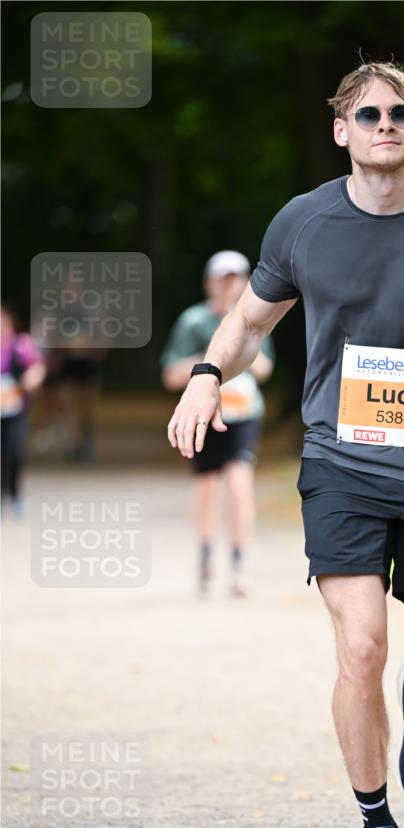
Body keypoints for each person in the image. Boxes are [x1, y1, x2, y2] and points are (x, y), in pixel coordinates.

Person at [167, 61, 404, 828]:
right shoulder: (302, 224)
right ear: (342, 130)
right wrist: (205, 378)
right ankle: (373, 822)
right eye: (367, 114)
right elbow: (247, 321)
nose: (384, 123)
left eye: (400, 112)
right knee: (358, 644)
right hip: (340, 461)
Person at [161, 251, 275, 596]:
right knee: (208, 488)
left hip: (244, 413)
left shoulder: (256, 317)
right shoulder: (192, 321)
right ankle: (206, 555)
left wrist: (242, 343)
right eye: (223, 279)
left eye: (237, 279)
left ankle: (240, 564)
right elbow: (170, 374)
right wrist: (212, 361)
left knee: (240, 485)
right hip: (205, 416)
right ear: (209, 283)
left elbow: (266, 368)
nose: (230, 286)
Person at [1, 303, 46, 516]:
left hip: (15, 409)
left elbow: (37, 367)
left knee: (14, 452)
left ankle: (15, 494)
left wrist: (31, 379)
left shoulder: (22, 344)